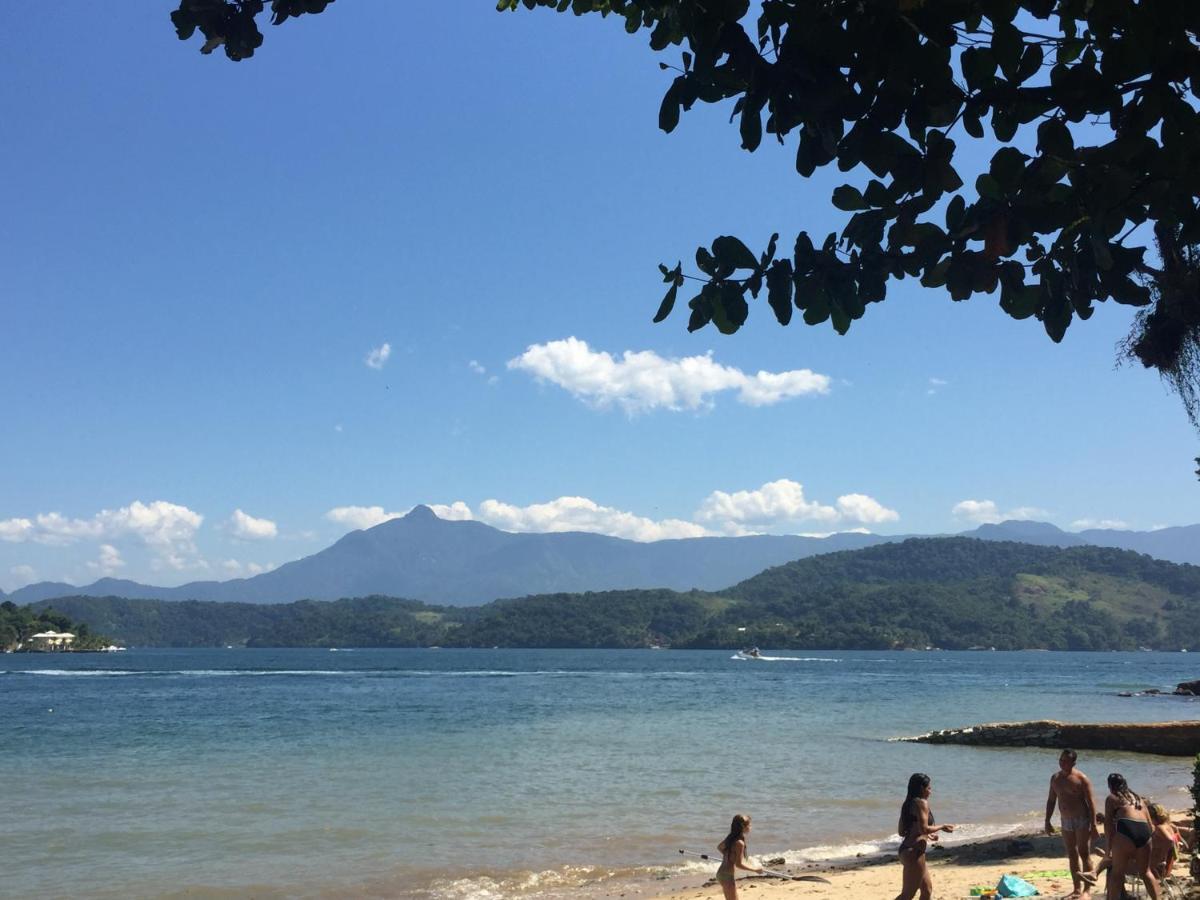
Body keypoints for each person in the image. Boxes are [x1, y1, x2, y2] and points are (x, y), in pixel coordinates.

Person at [1044, 749, 1100, 898]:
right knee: (1072, 854)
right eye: (1060, 760)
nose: (1062, 763)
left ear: (1073, 763)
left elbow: (1091, 803)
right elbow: (1051, 800)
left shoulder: (1081, 779)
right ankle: (1076, 889)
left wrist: (1093, 825)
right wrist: (1047, 821)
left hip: (1082, 820)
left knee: (1084, 853)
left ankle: (1087, 890)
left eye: (1065, 761)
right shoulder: (1055, 778)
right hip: (1066, 821)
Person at [895, 773, 955, 900]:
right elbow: (924, 828)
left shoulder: (908, 804)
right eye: (929, 788)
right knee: (907, 895)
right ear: (922, 789)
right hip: (914, 853)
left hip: (907, 850)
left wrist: (928, 834)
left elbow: (902, 832)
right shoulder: (922, 803)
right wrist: (942, 826)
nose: (930, 791)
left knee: (927, 890)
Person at [1101, 773, 1159, 900]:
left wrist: (1107, 850)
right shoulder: (1139, 800)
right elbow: (1152, 827)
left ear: (1110, 786)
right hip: (1144, 832)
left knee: (1117, 874)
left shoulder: (1112, 798)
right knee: (1146, 872)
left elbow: (1108, 826)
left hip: (1126, 830)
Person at [715, 813, 763, 899]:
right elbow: (739, 864)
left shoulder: (731, 837)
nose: (750, 827)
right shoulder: (739, 843)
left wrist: (729, 856)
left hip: (721, 873)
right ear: (743, 827)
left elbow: (720, 847)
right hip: (727, 876)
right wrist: (755, 869)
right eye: (749, 825)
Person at [1149, 802, 1185, 879]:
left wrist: (1161, 857)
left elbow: (1169, 841)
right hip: (1167, 868)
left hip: (1157, 869)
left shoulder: (1160, 828)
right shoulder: (1169, 826)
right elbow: (1175, 841)